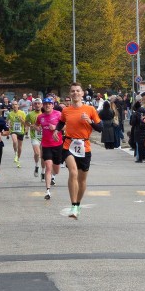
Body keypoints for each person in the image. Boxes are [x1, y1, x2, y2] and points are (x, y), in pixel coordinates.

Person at [58, 84, 102, 218]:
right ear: (70, 94)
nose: (75, 93)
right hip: (69, 144)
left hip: (84, 146)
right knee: (73, 172)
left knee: (82, 180)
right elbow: (61, 122)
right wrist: (56, 130)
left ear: (82, 93)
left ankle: (77, 204)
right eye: (73, 91)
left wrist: (90, 121)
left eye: (78, 91)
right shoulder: (66, 110)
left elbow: (100, 128)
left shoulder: (90, 109)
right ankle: (73, 205)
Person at [37, 97, 63, 200]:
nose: (47, 105)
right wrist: (37, 128)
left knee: (56, 170)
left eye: (49, 104)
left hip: (57, 144)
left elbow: (66, 126)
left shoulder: (58, 114)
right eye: (45, 104)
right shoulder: (40, 117)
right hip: (46, 145)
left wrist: (56, 128)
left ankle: (54, 174)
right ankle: (47, 190)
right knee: (48, 167)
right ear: (43, 106)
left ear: (52, 105)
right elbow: (37, 125)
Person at [25, 98, 42, 178]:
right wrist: (31, 125)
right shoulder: (30, 114)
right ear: (33, 105)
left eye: (39, 103)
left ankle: (43, 172)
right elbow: (26, 122)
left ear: (41, 105)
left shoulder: (45, 113)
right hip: (34, 136)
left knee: (43, 156)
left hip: (45, 137)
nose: (37, 105)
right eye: (36, 104)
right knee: (37, 153)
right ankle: (37, 165)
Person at [6, 103, 26, 168]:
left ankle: (18, 158)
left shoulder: (22, 113)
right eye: (13, 105)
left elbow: (25, 123)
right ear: (12, 106)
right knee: (14, 141)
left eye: (16, 104)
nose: (14, 106)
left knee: (20, 147)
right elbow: (6, 121)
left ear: (18, 106)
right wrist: (9, 124)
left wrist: (21, 120)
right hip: (13, 130)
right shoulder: (10, 114)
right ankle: (15, 153)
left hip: (21, 131)